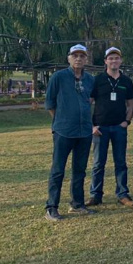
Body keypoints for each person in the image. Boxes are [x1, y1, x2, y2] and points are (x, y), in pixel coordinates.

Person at [44, 44, 97, 221]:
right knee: (58, 170)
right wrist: (61, 119)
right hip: (63, 131)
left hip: (84, 132)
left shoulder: (90, 79)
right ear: (69, 58)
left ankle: (77, 204)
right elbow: (50, 103)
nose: (78, 59)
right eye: (75, 55)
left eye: (82, 56)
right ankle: (51, 207)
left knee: (79, 170)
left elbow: (90, 100)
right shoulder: (58, 77)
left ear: (86, 59)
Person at [87, 46, 133, 208]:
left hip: (118, 128)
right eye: (111, 58)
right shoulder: (98, 80)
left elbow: (131, 104)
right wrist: (92, 125)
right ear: (105, 61)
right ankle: (95, 195)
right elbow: (88, 103)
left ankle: (122, 194)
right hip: (100, 129)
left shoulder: (126, 81)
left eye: (117, 58)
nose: (114, 61)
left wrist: (126, 122)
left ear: (121, 61)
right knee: (98, 163)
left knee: (120, 162)